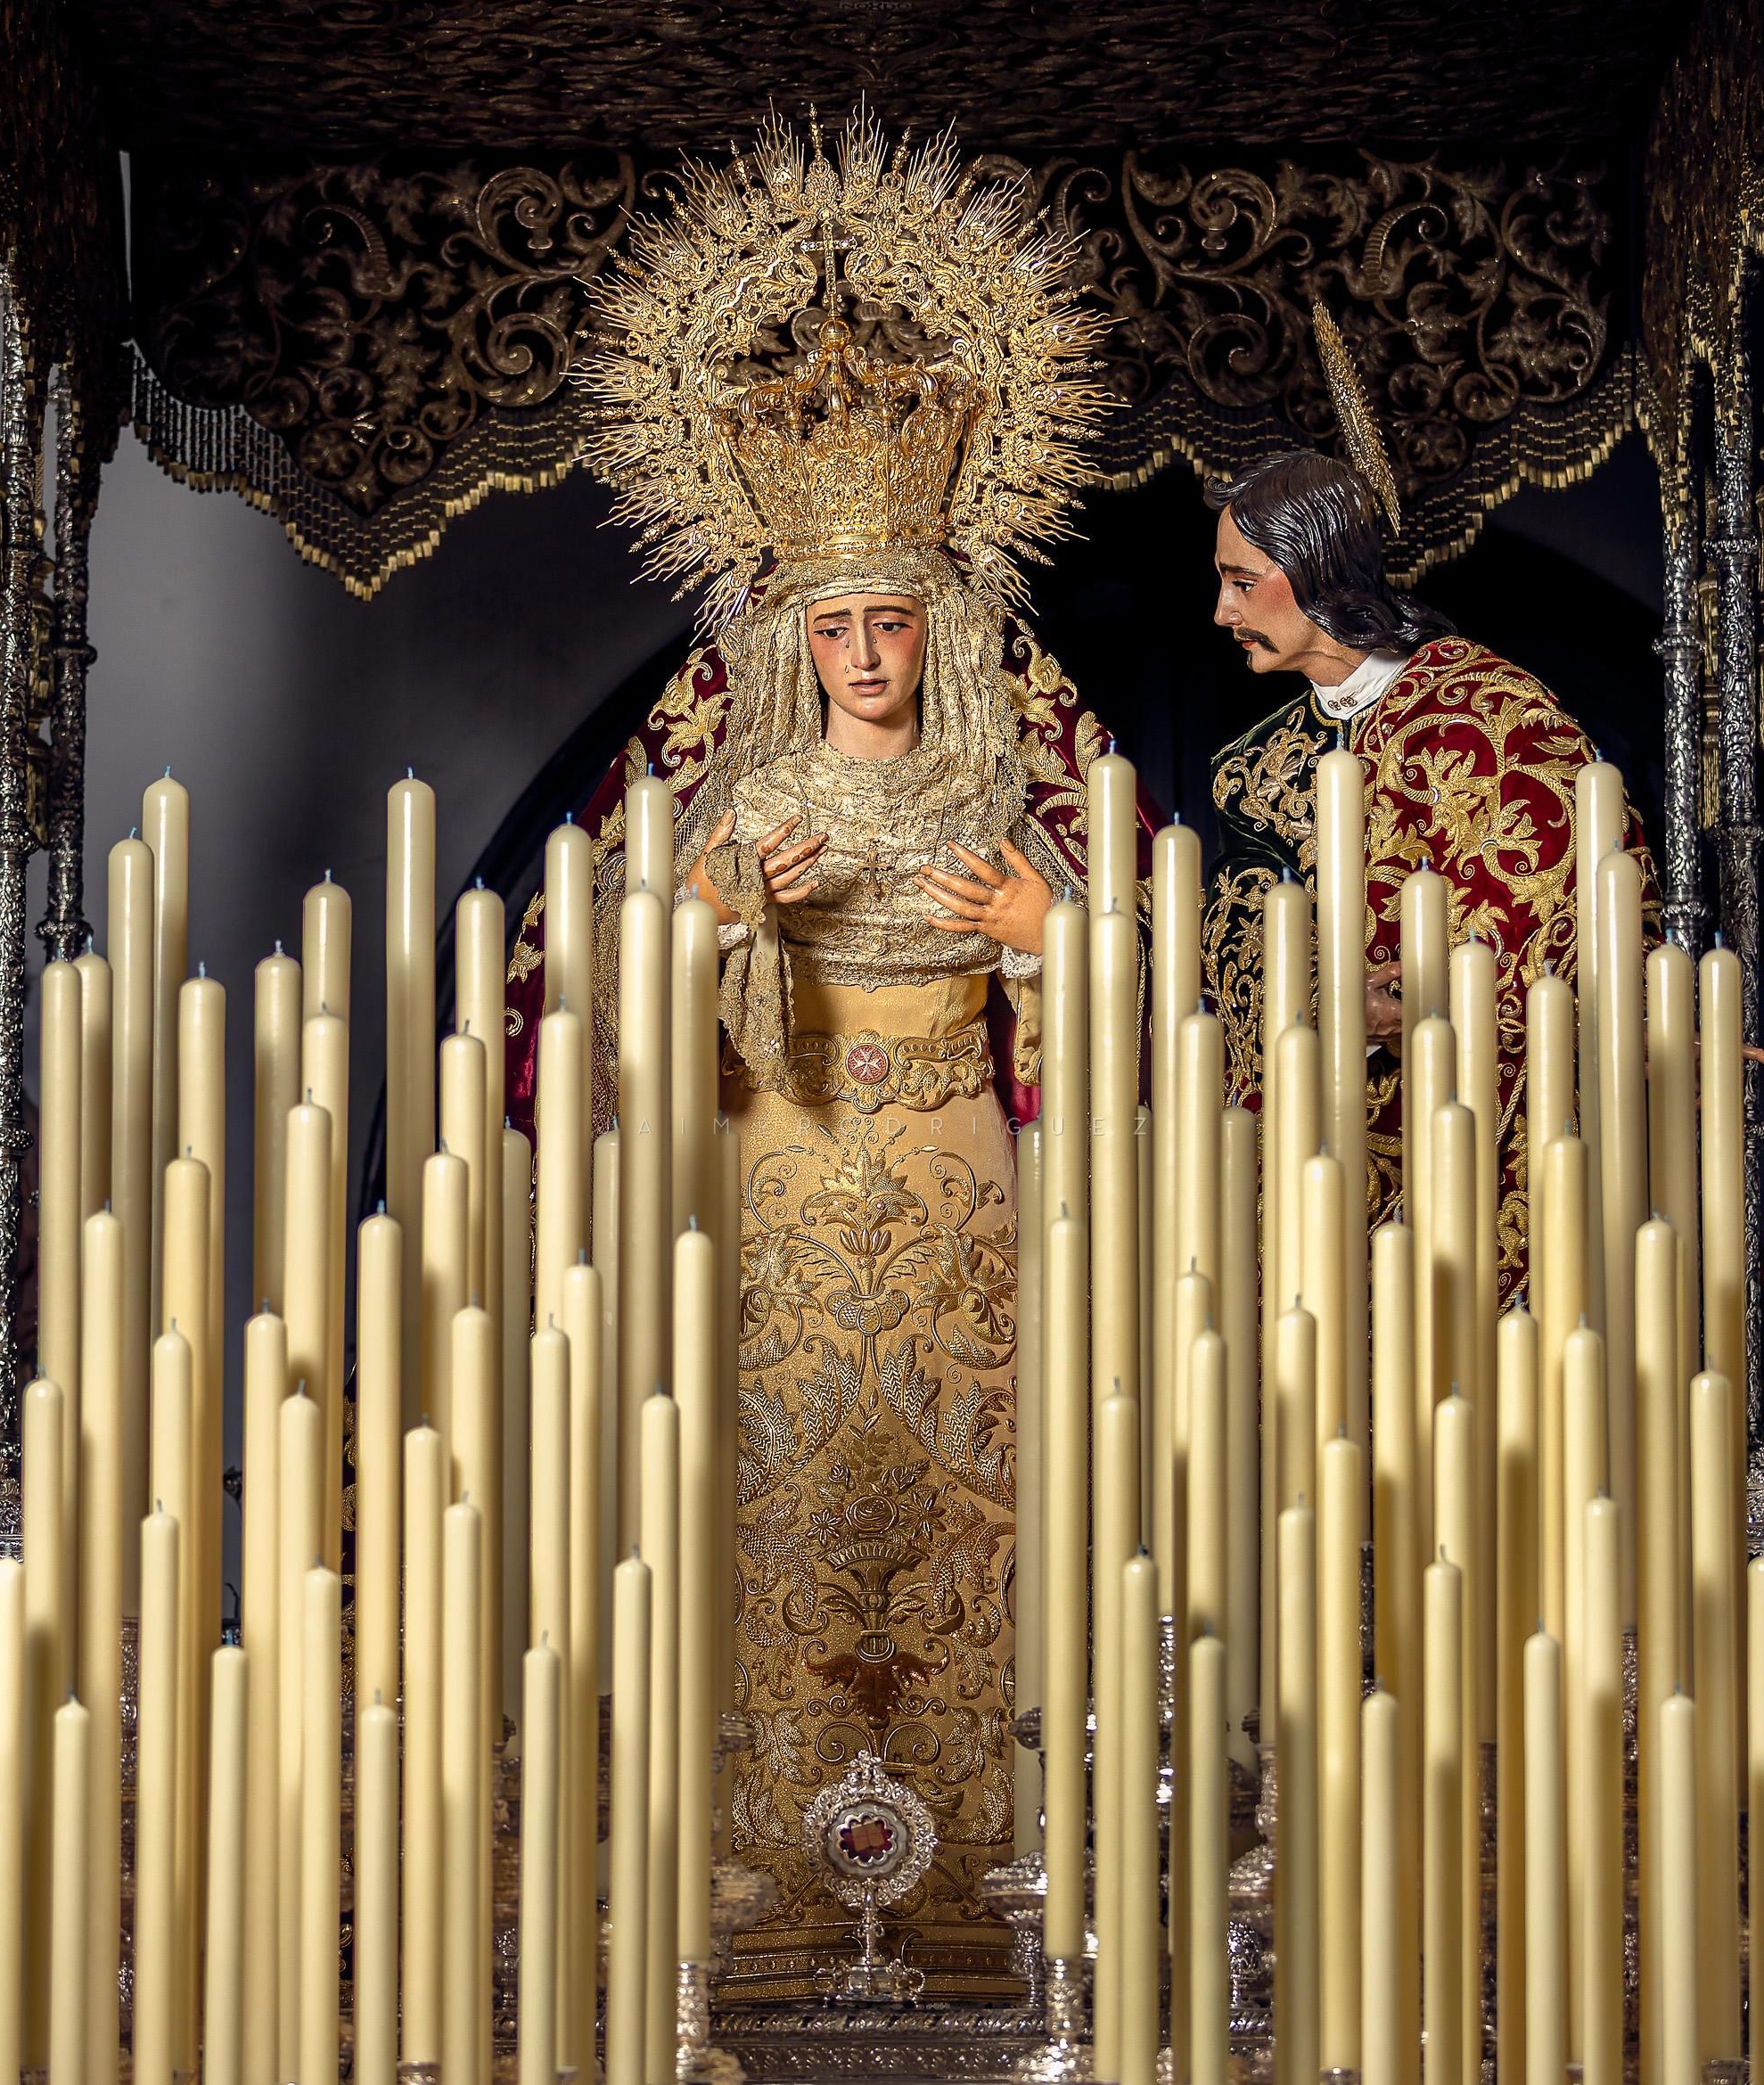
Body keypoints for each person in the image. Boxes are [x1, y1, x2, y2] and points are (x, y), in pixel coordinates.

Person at [503, 113, 1145, 1990]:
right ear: (793, 636)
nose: (866, 650)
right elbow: (609, 1006)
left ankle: (985, 1884)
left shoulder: (1004, 784)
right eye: (837, 624)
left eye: (892, 621)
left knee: (980, 1498)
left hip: (958, 1183)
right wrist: (714, 925)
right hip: (777, 1174)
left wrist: (1057, 939)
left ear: (939, 631)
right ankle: (774, 1878)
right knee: (771, 1492)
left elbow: (1116, 996)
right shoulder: (737, 785)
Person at [1200, 442, 1652, 1292]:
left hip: (1470, 1133)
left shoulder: (1490, 711)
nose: (1222, 611)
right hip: (1314, 1151)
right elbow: (1226, 929)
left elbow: (1577, 897)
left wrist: (1428, 1000)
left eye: (1241, 580)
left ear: (1316, 566)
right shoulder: (1254, 768)